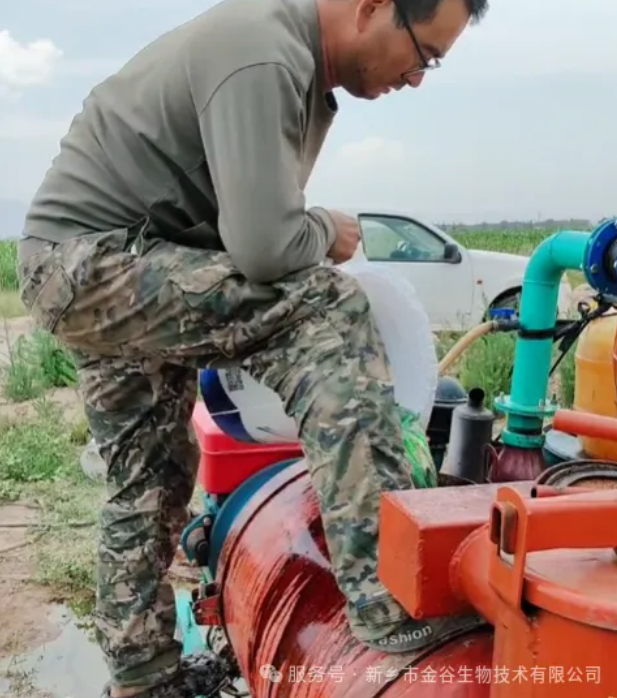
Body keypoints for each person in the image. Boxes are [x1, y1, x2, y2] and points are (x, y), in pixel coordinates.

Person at [17, 0, 490, 695]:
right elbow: (267, 248)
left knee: (149, 473)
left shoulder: (290, 65)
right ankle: (384, 596)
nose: (416, 78)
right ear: (372, 7)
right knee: (327, 305)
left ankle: (145, 676)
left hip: (89, 265)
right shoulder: (265, 48)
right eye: (424, 55)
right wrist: (324, 229)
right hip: (97, 264)